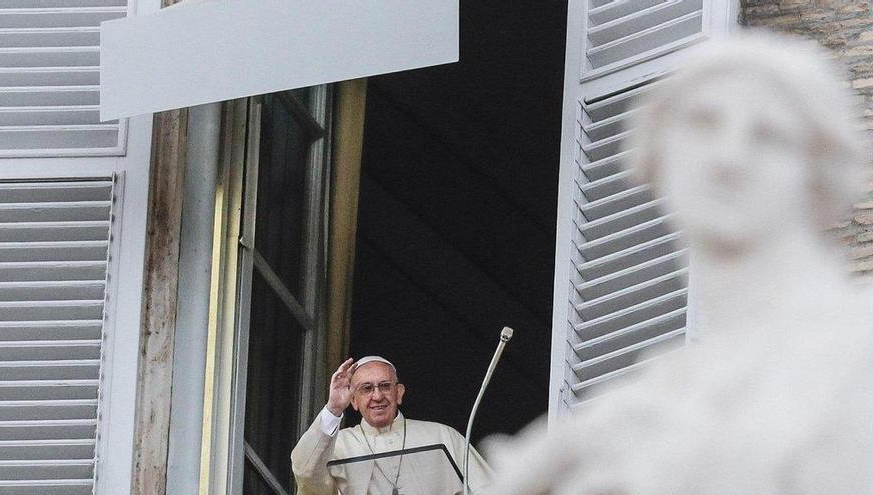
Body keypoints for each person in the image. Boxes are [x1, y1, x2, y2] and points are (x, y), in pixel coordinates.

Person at [489, 32, 873, 495]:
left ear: (819, 173)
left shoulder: (857, 351)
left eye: (770, 134)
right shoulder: (636, 407)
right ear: (655, 151)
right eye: (703, 121)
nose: (728, 158)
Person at [291, 356, 493, 495]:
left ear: (399, 393)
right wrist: (333, 408)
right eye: (367, 388)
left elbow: (492, 489)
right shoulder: (339, 446)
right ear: (353, 400)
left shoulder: (442, 436)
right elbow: (306, 474)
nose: (377, 396)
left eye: (385, 386)